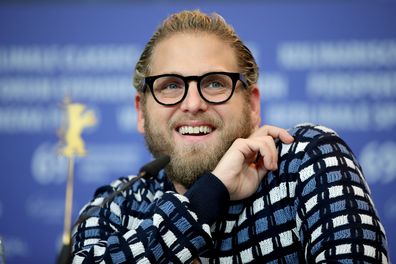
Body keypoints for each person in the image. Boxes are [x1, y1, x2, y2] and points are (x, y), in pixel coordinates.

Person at [71, 10, 389, 263]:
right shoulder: (116, 205)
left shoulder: (304, 161)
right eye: (170, 85)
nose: (193, 104)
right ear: (141, 113)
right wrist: (209, 195)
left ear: (252, 105)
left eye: (214, 83)